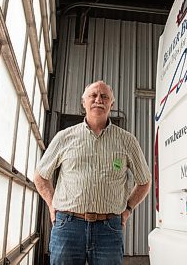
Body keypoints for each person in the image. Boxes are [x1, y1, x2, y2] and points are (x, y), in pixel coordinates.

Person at [34, 80, 151, 265]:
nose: (99, 100)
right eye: (93, 95)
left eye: (104, 96)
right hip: (68, 226)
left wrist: (128, 209)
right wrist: (51, 203)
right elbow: (41, 175)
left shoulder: (127, 141)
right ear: (84, 102)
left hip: (109, 229)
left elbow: (144, 181)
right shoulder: (64, 137)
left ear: (111, 104)